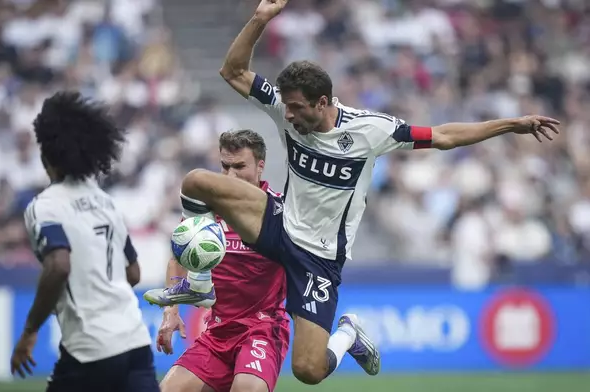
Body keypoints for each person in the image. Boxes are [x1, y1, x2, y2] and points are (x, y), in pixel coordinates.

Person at [146, 0, 560, 385]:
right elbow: (233, 72)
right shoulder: (285, 112)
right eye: (284, 107)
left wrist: (511, 124)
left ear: (322, 102)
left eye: (295, 108)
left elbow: (445, 136)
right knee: (197, 181)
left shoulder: (371, 130)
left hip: (318, 258)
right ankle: (198, 282)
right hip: (279, 225)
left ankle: (349, 334)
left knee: (309, 370)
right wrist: (259, 19)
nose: (286, 115)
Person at [10, 92, 158, 392]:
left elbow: (59, 265)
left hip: (91, 350)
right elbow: (134, 274)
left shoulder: (46, 206)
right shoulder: (105, 202)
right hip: (135, 342)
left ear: (46, 155)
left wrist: (29, 332)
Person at [146, 129, 290, 392]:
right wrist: (171, 311)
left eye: (239, 166)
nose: (231, 175)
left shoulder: (280, 213)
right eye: (225, 166)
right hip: (218, 331)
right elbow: (177, 260)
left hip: (262, 329)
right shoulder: (205, 212)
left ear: (260, 167)